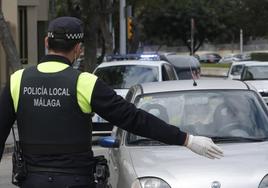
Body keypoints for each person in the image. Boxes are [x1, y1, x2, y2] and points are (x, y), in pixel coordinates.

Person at [0, 16, 223, 188]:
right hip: (76, 181)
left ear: (46, 42)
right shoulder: (84, 83)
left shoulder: (17, 81)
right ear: (78, 49)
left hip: (32, 182)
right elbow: (134, 119)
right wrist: (187, 139)